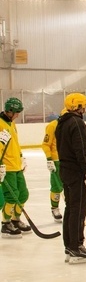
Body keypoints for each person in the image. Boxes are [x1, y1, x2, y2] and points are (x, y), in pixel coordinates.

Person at [55, 93, 86, 262]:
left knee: (70, 209)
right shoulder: (77, 123)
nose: (84, 109)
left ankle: (69, 246)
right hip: (77, 173)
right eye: (83, 106)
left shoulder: (61, 123)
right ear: (78, 106)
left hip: (65, 171)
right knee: (78, 210)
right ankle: (76, 246)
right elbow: (82, 150)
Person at [0, 97, 31, 238]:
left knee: (23, 194)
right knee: (11, 197)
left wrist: (21, 156)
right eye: (16, 112)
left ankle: (15, 219)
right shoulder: (0, 124)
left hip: (16, 165)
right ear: (9, 111)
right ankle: (6, 224)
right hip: (7, 167)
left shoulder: (11, 123)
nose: (18, 115)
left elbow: (15, 143)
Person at [42, 109, 66, 223]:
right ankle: (55, 208)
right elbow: (46, 144)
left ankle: (71, 209)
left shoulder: (71, 125)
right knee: (57, 186)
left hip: (68, 160)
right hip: (56, 160)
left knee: (70, 186)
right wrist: (49, 159)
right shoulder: (53, 126)